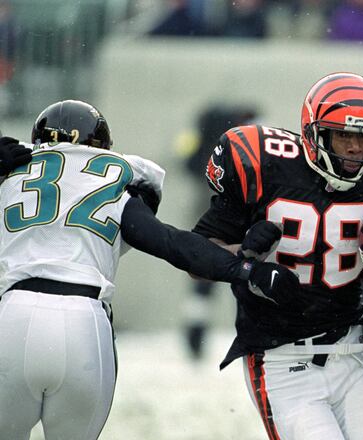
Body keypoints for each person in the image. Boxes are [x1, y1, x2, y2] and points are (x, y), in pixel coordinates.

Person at [0, 100, 292, 440]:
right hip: (83, 320)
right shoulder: (115, 185)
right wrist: (243, 268)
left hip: (12, 317)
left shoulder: (10, 175)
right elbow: (173, 244)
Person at [192, 72, 363, 440]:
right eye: (345, 135)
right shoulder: (264, 166)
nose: (356, 148)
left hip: (354, 356)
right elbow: (198, 261)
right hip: (281, 359)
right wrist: (245, 258)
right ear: (313, 133)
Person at [177, 103, 258, 360]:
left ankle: (195, 335)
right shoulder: (254, 132)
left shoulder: (206, 130)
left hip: (209, 205)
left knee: (204, 278)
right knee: (248, 275)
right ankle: (250, 335)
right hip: (245, 211)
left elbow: (187, 160)